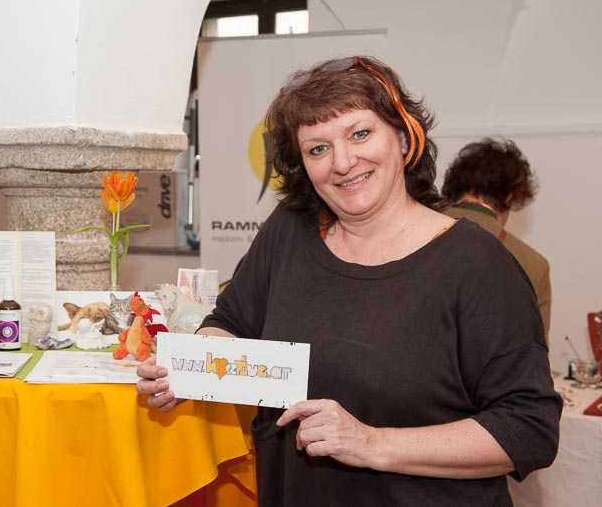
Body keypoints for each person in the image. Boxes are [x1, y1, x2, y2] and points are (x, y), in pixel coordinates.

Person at [136, 56, 560, 506]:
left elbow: (528, 427)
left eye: (360, 134)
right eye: (318, 149)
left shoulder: (476, 264)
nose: (342, 162)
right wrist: (189, 369)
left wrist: (371, 443)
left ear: (404, 137)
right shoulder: (289, 232)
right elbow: (232, 321)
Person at [441, 137, 551, 340]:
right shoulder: (534, 265)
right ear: (509, 196)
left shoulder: (409, 230)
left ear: (454, 186)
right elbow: (534, 353)